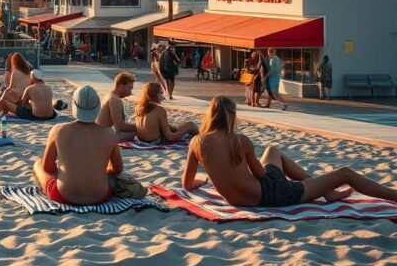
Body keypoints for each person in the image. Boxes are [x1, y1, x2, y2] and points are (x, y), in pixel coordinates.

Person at [182, 96, 397, 206]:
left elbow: (187, 183)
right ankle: (392, 196)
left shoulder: (196, 143)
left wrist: (203, 180)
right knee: (345, 173)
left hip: (240, 199)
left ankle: (328, 192)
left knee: (273, 150)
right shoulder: (240, 141)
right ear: (232, 117)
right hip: (269, 195)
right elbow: (261, 174)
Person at [33, 85, 121, 206]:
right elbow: (117, 169)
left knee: (38, 164)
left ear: (74, 106)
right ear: (97, 107)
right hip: (100, 196)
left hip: (63, 196)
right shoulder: (110, 133)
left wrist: (63, 169)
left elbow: (48, 168)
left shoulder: (58, 130)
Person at [0, 53, 32, 119]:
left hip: (17, 98)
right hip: (23, 99)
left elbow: (10, 88)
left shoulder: (15, 72)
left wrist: (0, 99)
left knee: (5, 94)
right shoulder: (28, 73)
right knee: (5, 96)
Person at [96, 71, 137, 141]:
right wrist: (139, 127)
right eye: (129, 88)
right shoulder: (115, 100)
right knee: (141, 133)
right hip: (103, 136)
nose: (131, 92)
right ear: (121, 86)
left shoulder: (109, 95)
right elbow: (119, 126)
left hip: (100, 132)